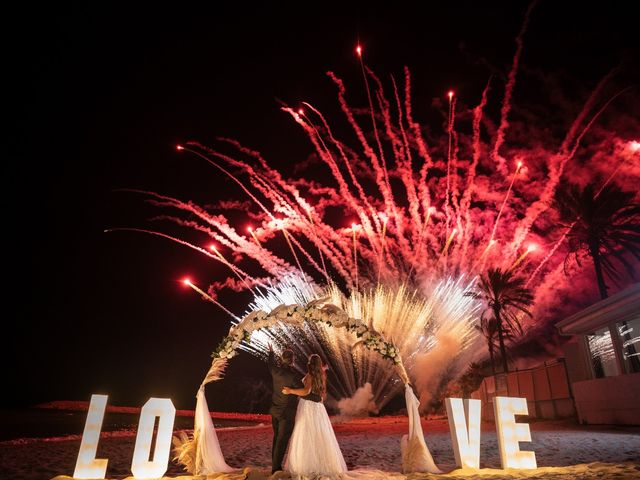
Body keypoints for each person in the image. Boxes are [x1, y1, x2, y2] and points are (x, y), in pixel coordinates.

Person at [282, 354, 348, 477]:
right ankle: (320, 464)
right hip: (318, 408)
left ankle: (306, 465)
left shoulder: (310, 376)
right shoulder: (321, 375)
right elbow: (321, 394)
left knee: (305, 434)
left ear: (310, 364)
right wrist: (324, 369)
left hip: (308, 408)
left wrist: (290, 391)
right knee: (319, 435)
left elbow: (306, 391)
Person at [268, 345, 302, 474]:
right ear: (293, 360)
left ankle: (275, 466)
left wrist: (270, 352)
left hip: (275, 410)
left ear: (282, 359)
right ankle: (276, 468)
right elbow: (303, 390)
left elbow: (270, 364)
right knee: (282, 440)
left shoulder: (275, 371)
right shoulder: (294, 376)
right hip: (286, 413)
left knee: (277, 438)